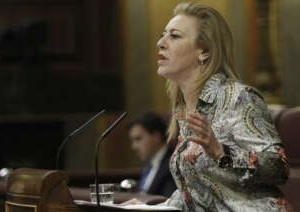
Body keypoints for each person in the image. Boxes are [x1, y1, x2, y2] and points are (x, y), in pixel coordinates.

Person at [125, 2, 292, 211]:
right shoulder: (186, 108)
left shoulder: (237, 97)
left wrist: (221, 153)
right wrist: (150, 208)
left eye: (174, 36)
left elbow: (278, 167)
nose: (161, 43)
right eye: (162, 34)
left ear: (203, 51)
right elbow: (200, 192)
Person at [127, 112, 176, 197]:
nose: (134, 146)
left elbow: (168, 201)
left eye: (138, 139)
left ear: (156, 136)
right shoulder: (150, 166)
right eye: (132, 141)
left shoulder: (172, 164)